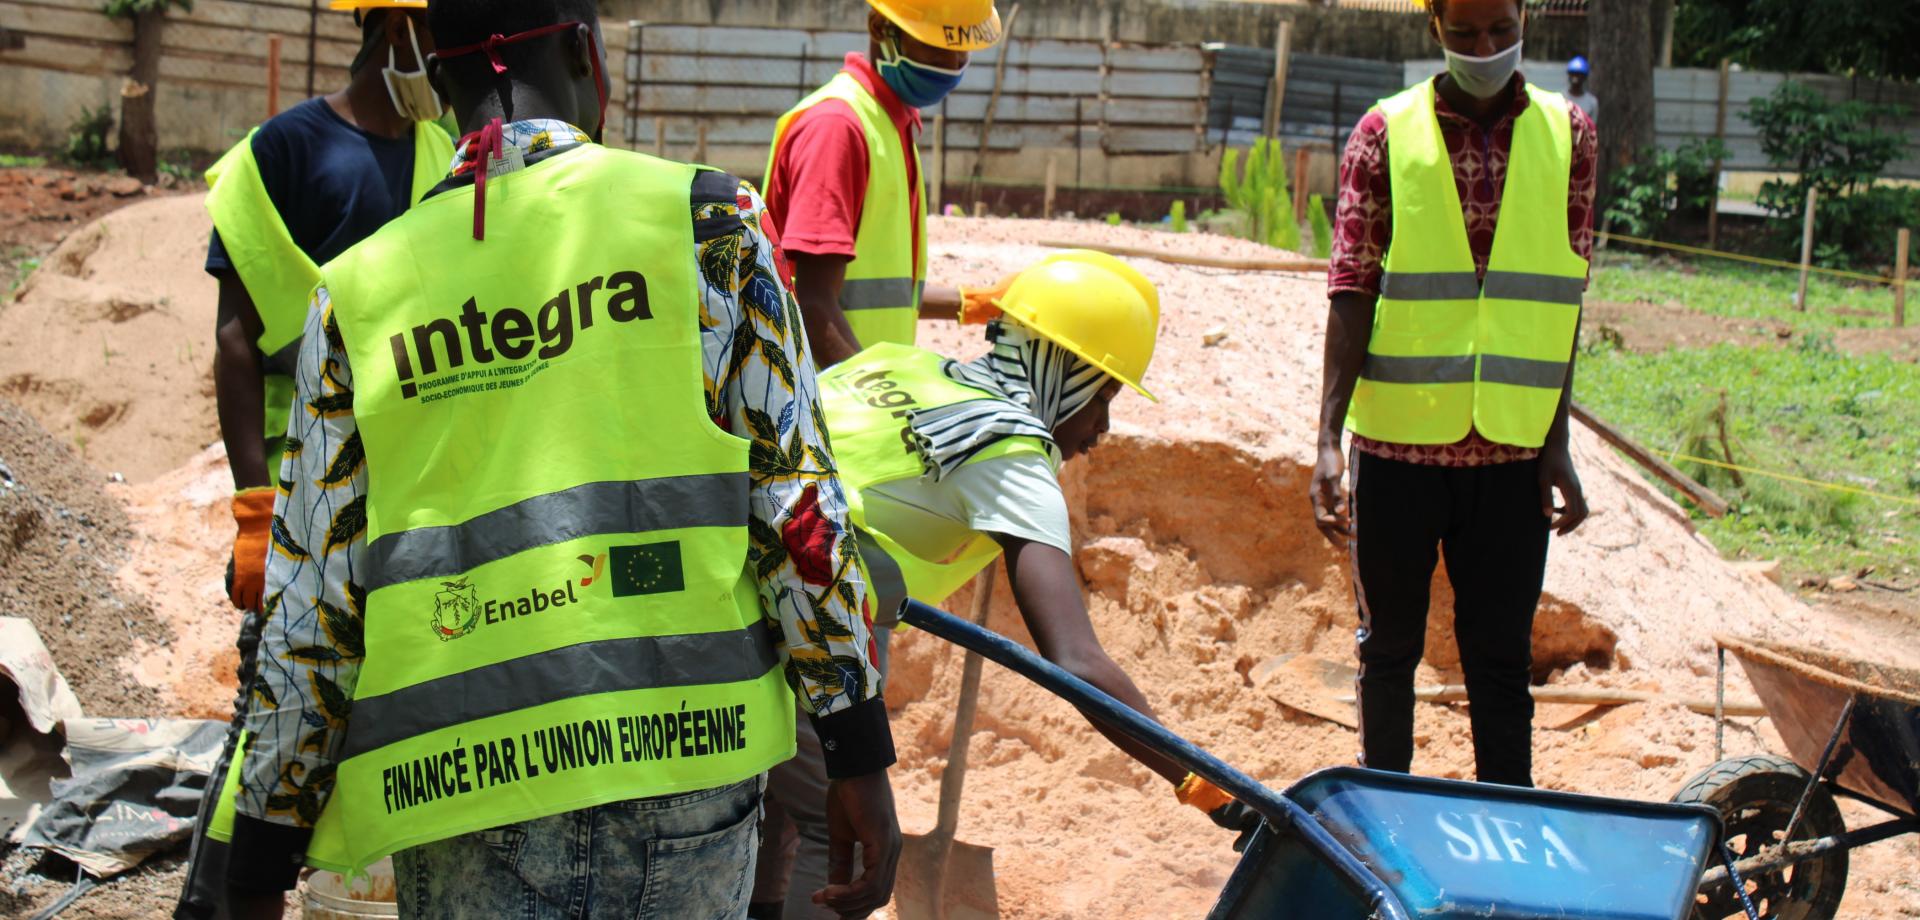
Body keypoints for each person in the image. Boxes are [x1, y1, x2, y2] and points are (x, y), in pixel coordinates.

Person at [220, 1, 901, 917]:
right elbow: (797, 509)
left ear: (440, 81)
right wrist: (856, 749)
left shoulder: (360, 293)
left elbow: (314, 608)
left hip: (457, 791)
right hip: (687, 770)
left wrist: (261, 858)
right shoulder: (708, 224)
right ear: (587, 54)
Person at [749, 253, 1254, 918]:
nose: (1101, 431)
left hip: (735, 579)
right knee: (839, 830)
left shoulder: (898, 362)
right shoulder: (1013, 456)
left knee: (776, 796)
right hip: (820, 617)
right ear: (1062, 374)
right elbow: (1077, 660)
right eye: (1102, 398)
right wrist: (1204, 784)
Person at [179, 2, 452, 915]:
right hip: (301, 490)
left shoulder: (439, 156)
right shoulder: (283, 152)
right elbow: (235, 343)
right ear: (392, 31)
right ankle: (213, 904)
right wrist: (256, 507)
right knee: (274, 722)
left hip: (401, 493)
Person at [1309, 0, 1596, 789]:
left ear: (1524, 17)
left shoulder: (1568, 133)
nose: (1486, 48)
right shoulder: (1383, 132)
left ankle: (1504, 822)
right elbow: (1352, 283)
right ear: (1434, 24)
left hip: (1510, 448)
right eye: (1465, 33)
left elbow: (1562, 292)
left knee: (1500, 661)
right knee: (1389, 650)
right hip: (1399, 446)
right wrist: (1328, 439)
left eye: (1502, 29)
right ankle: (1385, 828)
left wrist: (1556, 442)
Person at [762, 0, 1001, 368]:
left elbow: (882, 294)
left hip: (847, 400)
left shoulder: (890, 123)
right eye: (937, 47)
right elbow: (811, 303)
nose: (953, 67)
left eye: (960, 50)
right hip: (823, 407)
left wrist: (974, 304)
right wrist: (881, 404)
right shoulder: (838, 128)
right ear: (881, 30)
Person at [1566, 55, 1597, 122]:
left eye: (1578, 74)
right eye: (1572, 73)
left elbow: (1592, 127)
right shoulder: (1561, 98)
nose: (1575, 77)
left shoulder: (1591, 102)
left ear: (1584, 77)